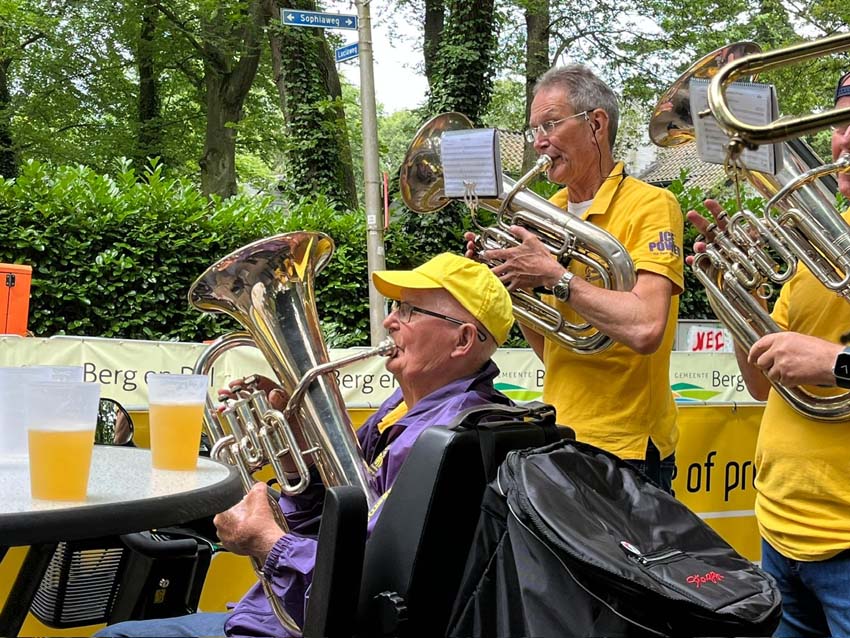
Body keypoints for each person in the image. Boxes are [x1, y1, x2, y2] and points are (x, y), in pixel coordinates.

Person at [96, 252, 514, 638]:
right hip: (284, 614)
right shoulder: (406, 409)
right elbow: (338, 510)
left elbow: (369, 579)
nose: (390, 321)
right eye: (395, 307)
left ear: (462, 340)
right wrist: (298, 441)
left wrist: (268, 541)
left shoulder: (436, 437)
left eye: (409, 310)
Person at [685, 71, 850, 637]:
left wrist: (835, 364)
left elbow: (825, 364)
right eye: (838, 125)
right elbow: (761, 384)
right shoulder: (817, 235)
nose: (844, 141)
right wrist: (737, 294)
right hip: (780, 530)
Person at [466, 64, 684, 492]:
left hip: (629, 448)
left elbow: (646, 328)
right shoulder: (549, 210)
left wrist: (555, 275)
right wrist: (517, 283)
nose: (539, 141)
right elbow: (554, 349)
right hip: (561, 433)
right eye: (534, 129)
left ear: (596, 124)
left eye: (550, 124)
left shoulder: (652, 205)